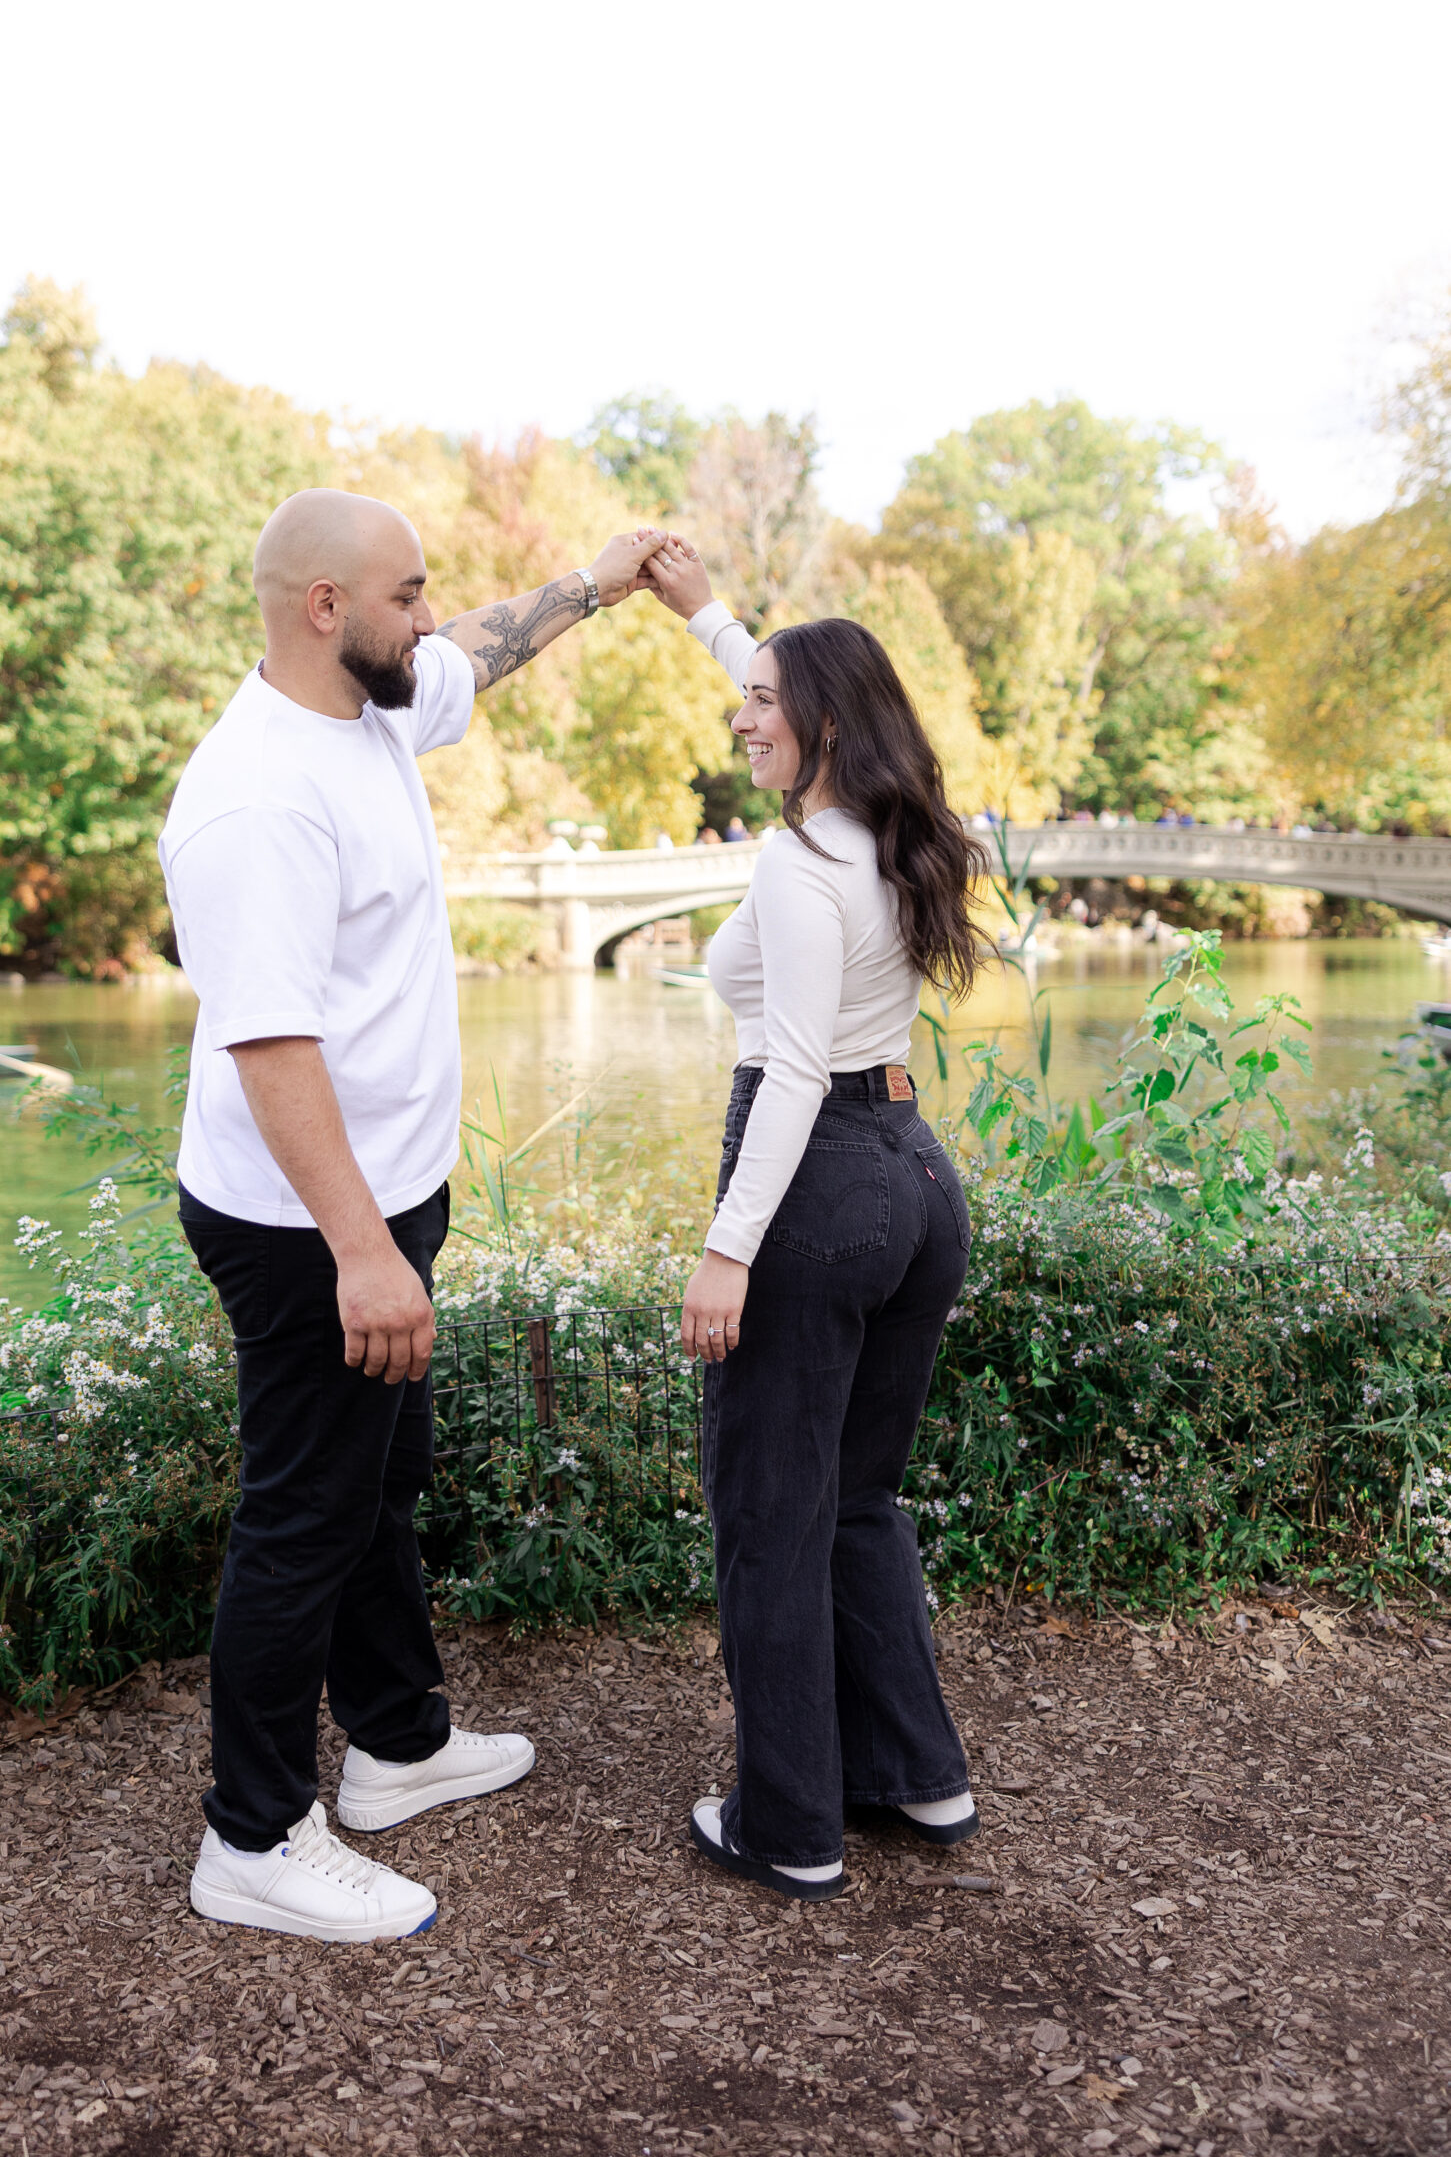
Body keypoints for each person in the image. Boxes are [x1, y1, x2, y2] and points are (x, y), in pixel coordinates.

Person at [159, 488, 665, 1943]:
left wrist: (600, 583)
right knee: (304, 1512)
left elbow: (482, 656)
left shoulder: (370, 704)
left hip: (384, 1202)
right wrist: (364, 1255)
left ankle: (394, 1747)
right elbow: (270, 1049)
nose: (432, 615)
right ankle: (249, 1839)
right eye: (408, 592)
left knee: (379, 1481)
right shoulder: (257, 794)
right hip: (303, 1222)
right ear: (323, 607)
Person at [644, 537, 987, 1903]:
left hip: (816, 1186)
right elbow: (797, 687)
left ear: (823, 728)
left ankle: (787, 1823)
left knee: (768, 1513)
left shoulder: (797, 863)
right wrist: (708, 623)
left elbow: (787, 1070)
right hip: (911, 1177)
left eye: (760, 704)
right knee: (853, 1502)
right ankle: (916, 1773)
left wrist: (725, 1250)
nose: (739, 713)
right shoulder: (888, 832)